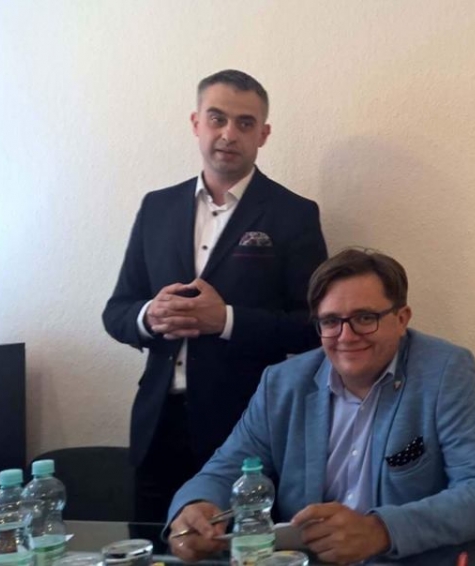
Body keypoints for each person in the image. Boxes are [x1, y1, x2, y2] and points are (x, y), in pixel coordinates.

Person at [167, 249, 475, 564]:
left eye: (365, 318)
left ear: (402, 319)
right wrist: (195, 507)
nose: (346, 337)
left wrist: (380, 530)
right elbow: (223, 470)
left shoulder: (443, 372)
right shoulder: (283, 384)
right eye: (331, 321)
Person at [102, 69, 327, 522]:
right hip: (157, 425)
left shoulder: (294, 214)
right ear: (196, 122)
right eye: (217, 118)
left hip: (248, 425)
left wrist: (224, 320)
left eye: (245, 123)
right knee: (156, 544)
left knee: (241, 548)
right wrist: (150, 316)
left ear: (263, 134)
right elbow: (117, 311)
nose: (229, 134)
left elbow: (315, 328)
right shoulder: (156, 207)